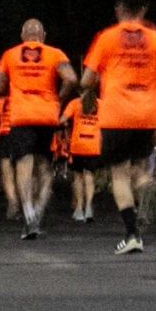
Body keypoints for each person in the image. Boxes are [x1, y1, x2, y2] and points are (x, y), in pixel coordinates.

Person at [81, 0, 156, 256]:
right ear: (144, 9)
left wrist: (99, 78)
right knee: (139, 167)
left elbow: (87, 79)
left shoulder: (106, 38)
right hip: (147, 114)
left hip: (116, 113)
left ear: (118, 9)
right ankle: (147, 184)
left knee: (119, 175)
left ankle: (132, 234)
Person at [0, 18, 75, 239]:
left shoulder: (9, 55)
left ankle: (28, 214)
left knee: (24, 165)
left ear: (22, 36)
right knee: (45, 167)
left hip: (21, 117)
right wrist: (58, 99)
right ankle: (38, 211)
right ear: (43, 36)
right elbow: (71, 79)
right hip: (47, 116)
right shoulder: (55, 54)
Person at [59, 92, 102, 222]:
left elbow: (62, 120)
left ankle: (79, 209)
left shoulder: (75, 103)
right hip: (93, 145)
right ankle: (88, 208)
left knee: (78, 177)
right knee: (89, 177)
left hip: (78, 145)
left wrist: (65, 126)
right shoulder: (101, 104)